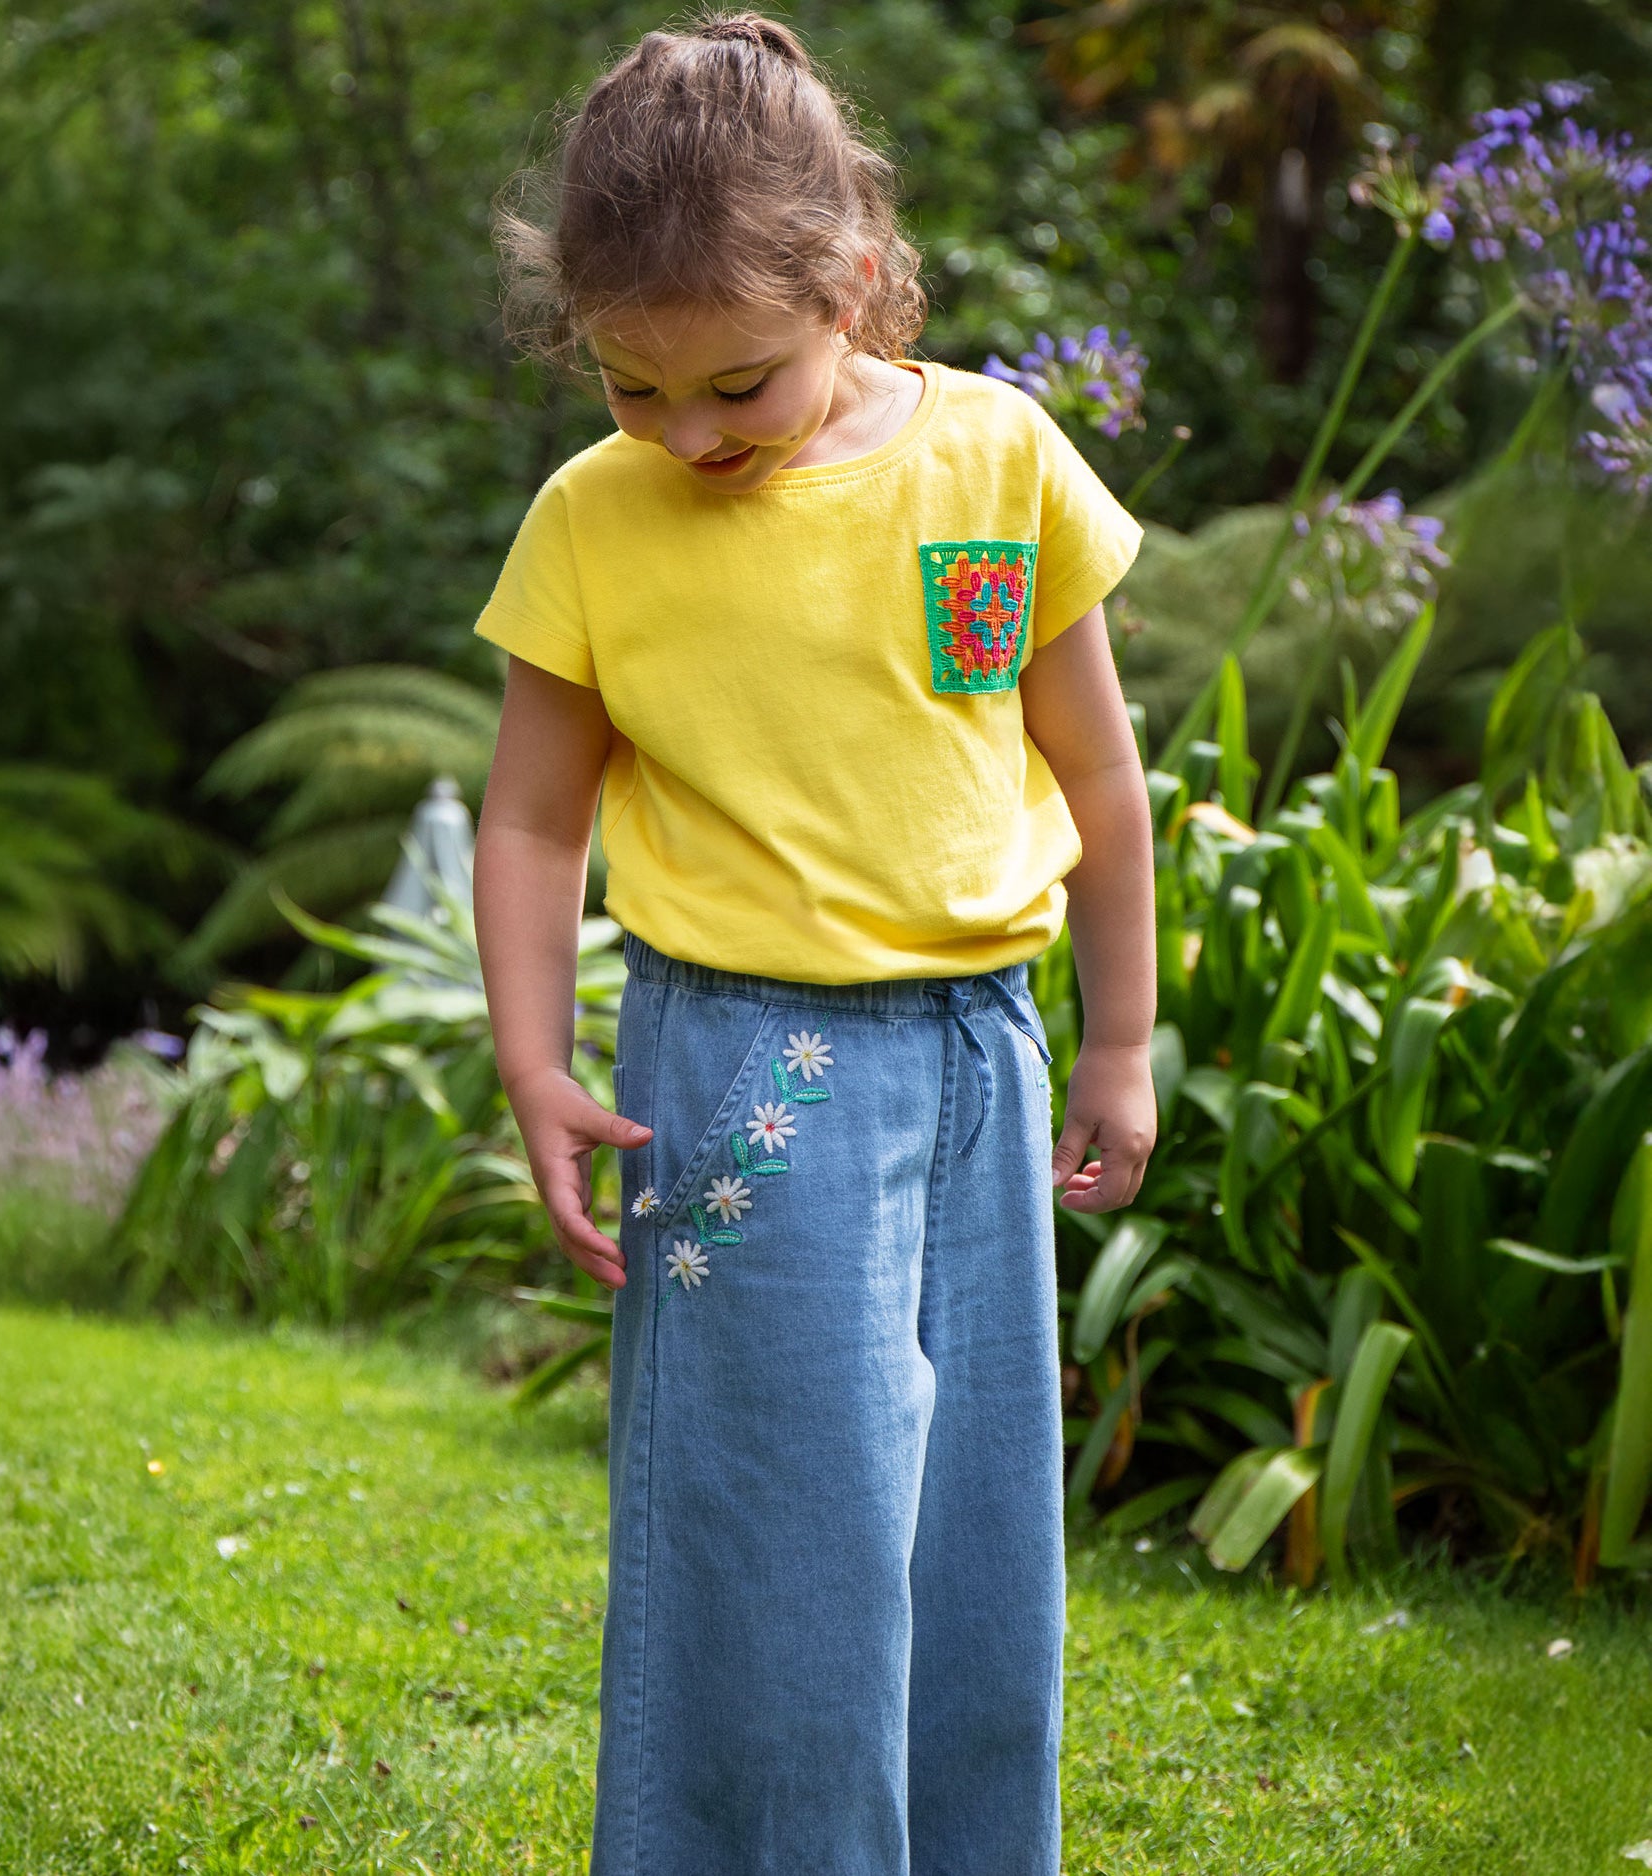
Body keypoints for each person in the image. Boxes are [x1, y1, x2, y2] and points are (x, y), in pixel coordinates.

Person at [470, 13, 1157, 1873]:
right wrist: (534, 1061)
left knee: (973, 1550)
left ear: (852, 280)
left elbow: (1095, 769)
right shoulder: (591, 523)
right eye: (632, 391)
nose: (685, 437)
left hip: (982, 1060)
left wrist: (1114, 1039)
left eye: (737, 388)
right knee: (779, 1550)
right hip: (749, 1069)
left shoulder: (996, 462)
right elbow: (532, 815)